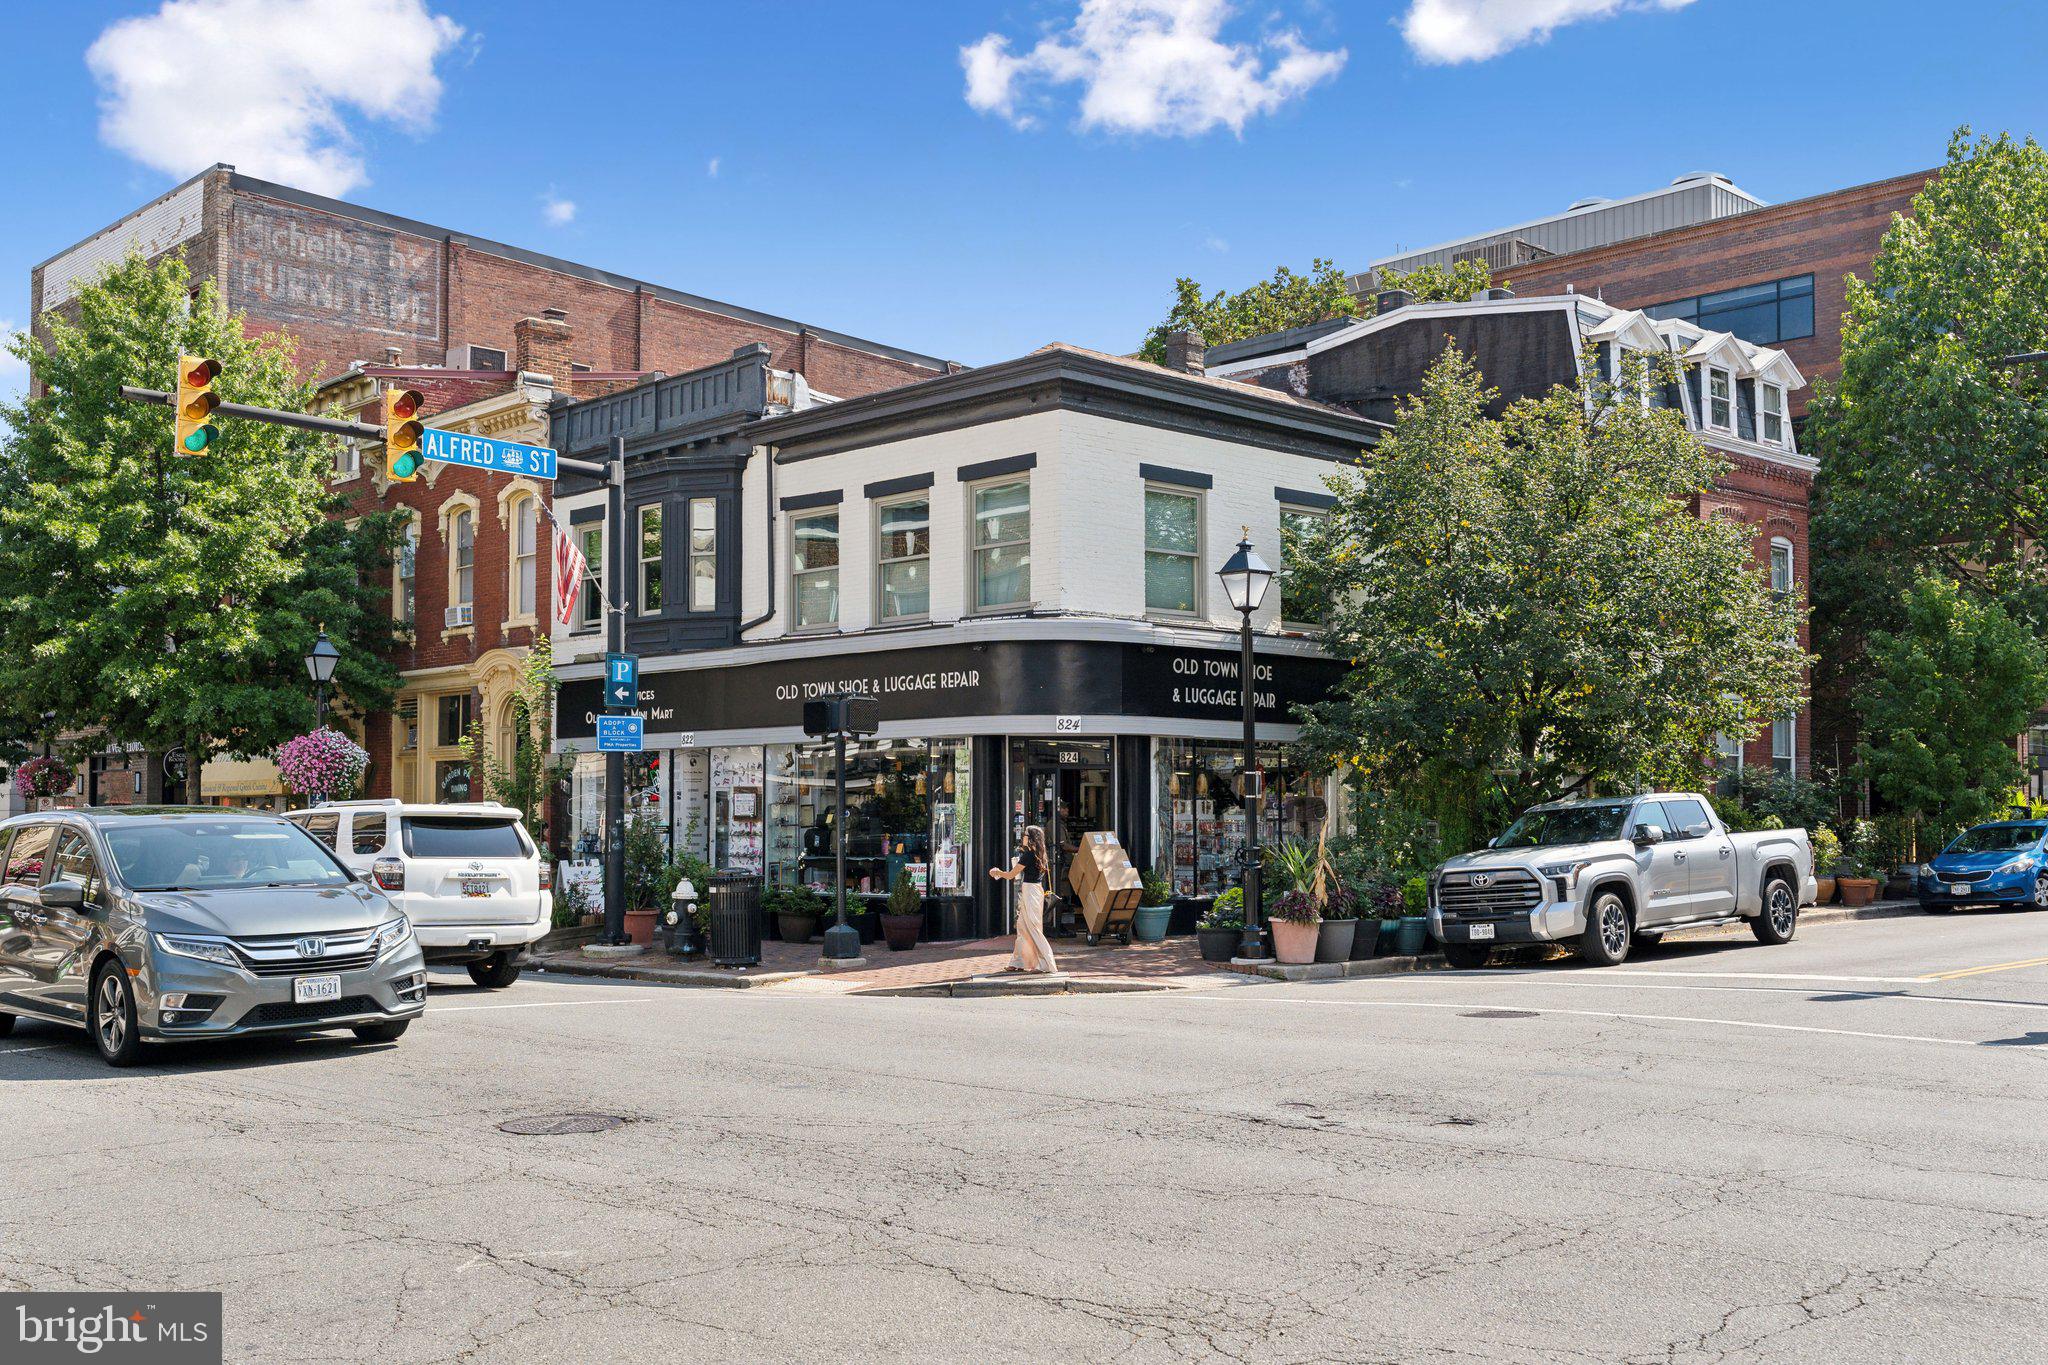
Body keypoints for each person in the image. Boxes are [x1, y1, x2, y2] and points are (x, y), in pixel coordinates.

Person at [990, 824, 1057, 975]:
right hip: (1034, 891)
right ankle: (1018, 962)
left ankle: (1047, 963)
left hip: (1030, 892)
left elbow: (1011, 875)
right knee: (1022, 927)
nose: (1023, 837)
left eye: (1025, 835)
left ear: (1031, 838)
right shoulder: (1039, 854)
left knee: (1033, 928)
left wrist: (997, 871)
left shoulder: (1028, 855)